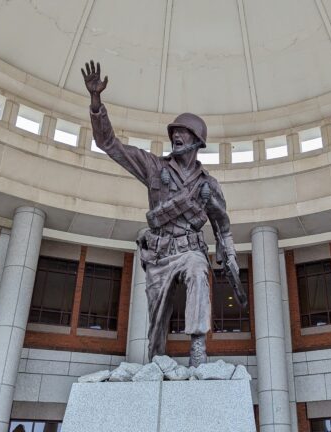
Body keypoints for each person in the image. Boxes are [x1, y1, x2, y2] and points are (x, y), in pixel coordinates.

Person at [81, 61, 245, 366]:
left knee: (198, 271)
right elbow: (109, 144)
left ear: (197, 142)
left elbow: (222, 224)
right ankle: (156, 362)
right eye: (174, 132)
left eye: (183, 133)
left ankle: (198, 347)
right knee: (156, 326)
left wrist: (229, 254)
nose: (176, 136)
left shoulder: (208, 185)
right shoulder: (154, 167)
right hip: (159, 255)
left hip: (189, 251)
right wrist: (96, 103)